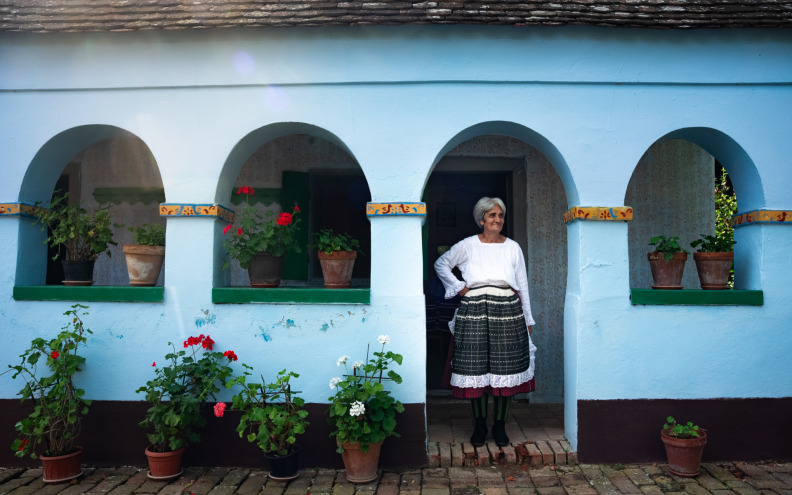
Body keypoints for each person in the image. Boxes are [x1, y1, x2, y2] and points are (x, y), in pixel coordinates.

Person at [433, 197, 537, 447]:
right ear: (481, 219)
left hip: (508, 310)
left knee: (506, 371)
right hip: (474, 309)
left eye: (500, 215)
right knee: (475, 371)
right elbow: (442, 264)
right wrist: (460, 289)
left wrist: (528, 317)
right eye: (492, 215)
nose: (497, 220)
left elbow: (521, 283)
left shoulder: (512, 247)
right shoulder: (468, 245)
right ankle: (480, 426)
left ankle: (499, 427)